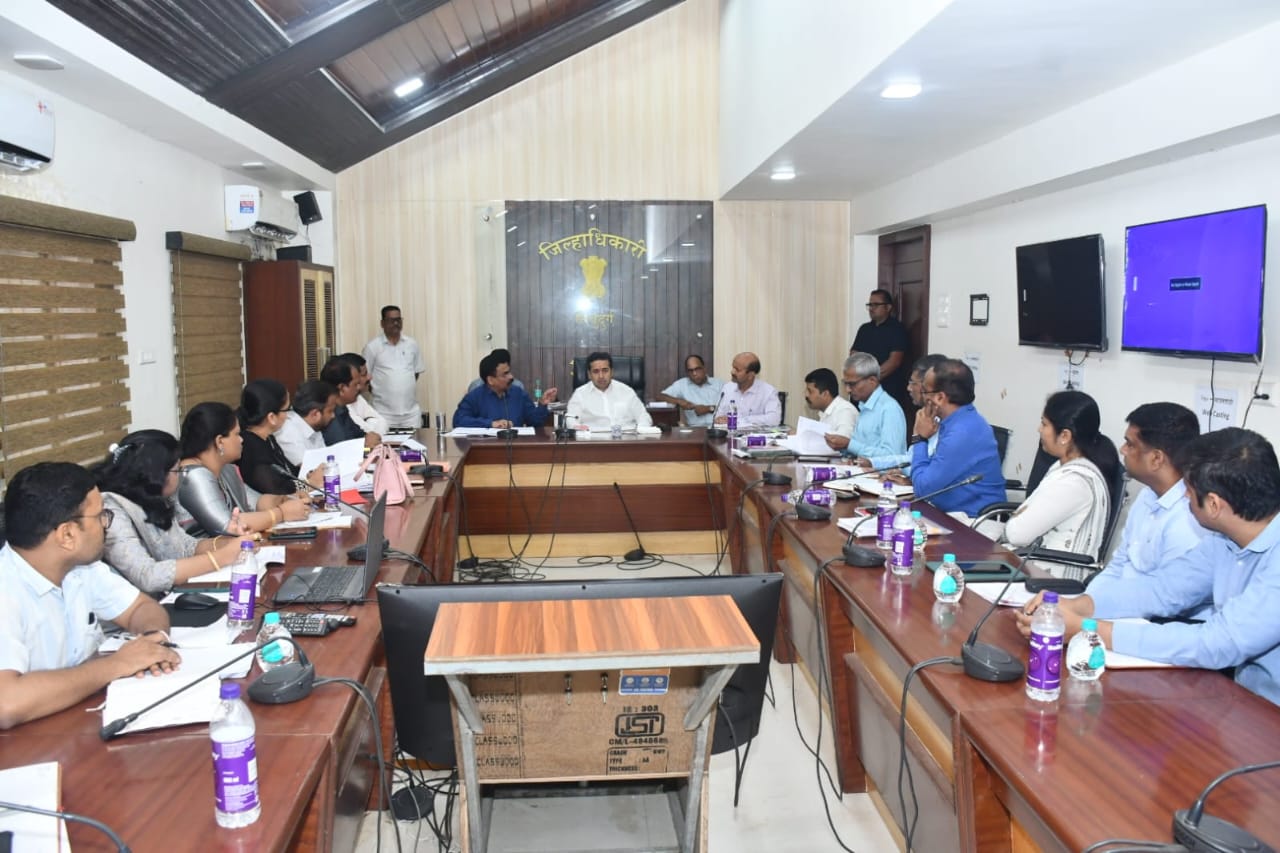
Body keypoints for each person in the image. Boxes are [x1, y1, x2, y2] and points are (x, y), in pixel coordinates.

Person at [1017, 428, 1280, 707]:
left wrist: (1089, 631)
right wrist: (1079, 606)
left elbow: (1219, 643)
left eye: (1189, 491)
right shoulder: (1224, 541)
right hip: (1244, 701)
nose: (1184, 498)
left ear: (1214, 504)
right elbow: (1162, 589)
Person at [0, 462, 180, 729]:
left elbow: (141, 607)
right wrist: (117, 664)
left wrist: (152, 640)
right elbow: (7, 703)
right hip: (29, 743)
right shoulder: (6, 591)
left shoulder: (81, 569)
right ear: (67, 534)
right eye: (100, 516)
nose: (106, 525)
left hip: (76, 721)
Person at [93, 431, 252, 594]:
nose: (180, 477)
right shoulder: (111, 509)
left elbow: (186, 546)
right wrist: (222, 557)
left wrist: (231, 543)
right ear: (156, 475)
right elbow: (147, 576)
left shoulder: (152, 498)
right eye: (177, 471)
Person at [1085, 402, 1205, 603]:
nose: (1123, 450)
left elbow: (1166, 599)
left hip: (1148, 615)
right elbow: (1118, 565)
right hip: (1117, 607)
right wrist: (1085, 603)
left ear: (1156, 458)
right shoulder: (1147, 496)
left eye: (1130, 444)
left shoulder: (1188, 519)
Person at [1002, 390, 1120, 559]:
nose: (1039, 429)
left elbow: (1017, 534)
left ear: (1064, 435)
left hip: (1048, 570)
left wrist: (1016, 520)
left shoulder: (1073, 483)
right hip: (1035, 558)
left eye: (1044, 424)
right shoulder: (1064, 465)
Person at [176, 402, 310, 537]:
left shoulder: (225, 469)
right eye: (237, 434)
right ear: (219, 441)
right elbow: (228, 525)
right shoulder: (193, 476)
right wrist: (281, 513)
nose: (241, 440)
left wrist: (285, 499)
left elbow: (256, 502)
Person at [906, 359, 1006, 516]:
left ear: (940, 397)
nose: (923, 398)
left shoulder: (962, 432)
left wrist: (919, 438)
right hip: (948, 514)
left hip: (974, 521)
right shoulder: (958, 421)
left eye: (925, 391)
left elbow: (923, 490)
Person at [856, 353, 948, 473]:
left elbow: (932, 470)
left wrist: (903, 472)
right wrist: (873, 463)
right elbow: (910, 457)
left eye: (913, 383)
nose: (908, 388)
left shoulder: (948, 424)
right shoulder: (925, 417)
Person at [237, 379, 321, 496]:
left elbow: (287, 472)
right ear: (271, 417)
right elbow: (276, 489)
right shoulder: (250, 448)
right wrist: (310, 484)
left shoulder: (268, 438)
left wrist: (310, 476)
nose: (288, 416)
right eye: (287, 410)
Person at [831, 353, 906, 460]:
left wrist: (849, 444)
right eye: (845, 384)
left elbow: (892, 456)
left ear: (872, 381)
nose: (848, 390)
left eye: (852, 384)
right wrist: (840, 446)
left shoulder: (889, 408)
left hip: (883, 471)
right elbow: (859, 449)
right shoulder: (864, 407)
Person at [454, 350, 557, 428]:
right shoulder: (475, 396)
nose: (511, 377)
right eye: (505, 374)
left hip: (516, 447)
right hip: (487, 448)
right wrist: (491, 424)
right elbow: (458, 421)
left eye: (509, 372)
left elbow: (535, 422)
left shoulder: (519, 394)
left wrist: (542, 404)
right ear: (490, 380)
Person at [363, 305, 425, 429]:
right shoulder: (372, 347)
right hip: (383, 413)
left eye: (398, 320)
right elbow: (365, 378)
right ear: (382, 323)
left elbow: (415, 373)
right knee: (381, 442)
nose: (396, 323)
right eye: (391, 320)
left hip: (410, 414)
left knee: (413, 441)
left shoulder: (412, 344)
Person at [850, 289, 909, 407]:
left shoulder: (897, 329)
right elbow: (854, 354)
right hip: (861, 387)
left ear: (888, 307)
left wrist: (870, 380)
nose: (872, 308)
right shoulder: (864, 329)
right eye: (870, 305)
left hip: (887, 388)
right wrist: (859, 378)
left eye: (876, 305)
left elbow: (894, 362)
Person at [566, 351, 653, 431]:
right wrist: (580, 429)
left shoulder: (626, 391)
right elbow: (571, 420)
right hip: (593, 439)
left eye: (605, 370)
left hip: (626, 439)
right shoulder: (580, 394)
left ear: (612, 372)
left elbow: (644, 417)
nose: (601, 376)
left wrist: (640, 432)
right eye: (596, 371)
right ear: (589, 374)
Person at [320, 357, 384, 448]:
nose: (359, 388)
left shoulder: (342, 408)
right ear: (342, 388)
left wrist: (368, 440)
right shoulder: (328, 415)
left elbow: (360, 435)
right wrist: (364, 445)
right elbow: (341, 450)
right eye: (356, 384)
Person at [274, 380, 338, 468]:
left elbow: (326, 460)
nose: (333, 416)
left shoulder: (314, 427)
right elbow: (311, 469)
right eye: (330, 411)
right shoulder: (288, 433)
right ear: (315, 414)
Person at [714, 352, 781, 428]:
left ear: (750, 375)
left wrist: (740, 420)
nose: (732, 372)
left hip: (756, 435)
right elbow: (717, 416)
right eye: (733, 367)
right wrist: (719, 419)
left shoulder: (768, 391)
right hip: (730, 433)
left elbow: (774, 419)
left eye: (737, 370)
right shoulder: (727, 388)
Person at [658, 355, 724, 428]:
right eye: (690, 371)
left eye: (697, 369)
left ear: (704, 368)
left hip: (718, 427)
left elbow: (731, 406)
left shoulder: (719, 384)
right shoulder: (682, 385)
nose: (694, 373)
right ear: (687, 372)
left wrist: (709, 408)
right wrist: (679, 401)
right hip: (695, 429)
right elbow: (660, 397)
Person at [337, 352, 389, 436]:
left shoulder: (357, 398)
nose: (369, 377)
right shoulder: (338, 405)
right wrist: (370, 421)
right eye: (364, 374)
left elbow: (383, 423)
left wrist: (369, 423)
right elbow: (362, 433)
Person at [802, 367, 856, 441]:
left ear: (825, 394)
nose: (806, 394)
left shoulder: (845, 411)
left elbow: (842, 441)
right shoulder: (824, 412)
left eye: (810, 391)